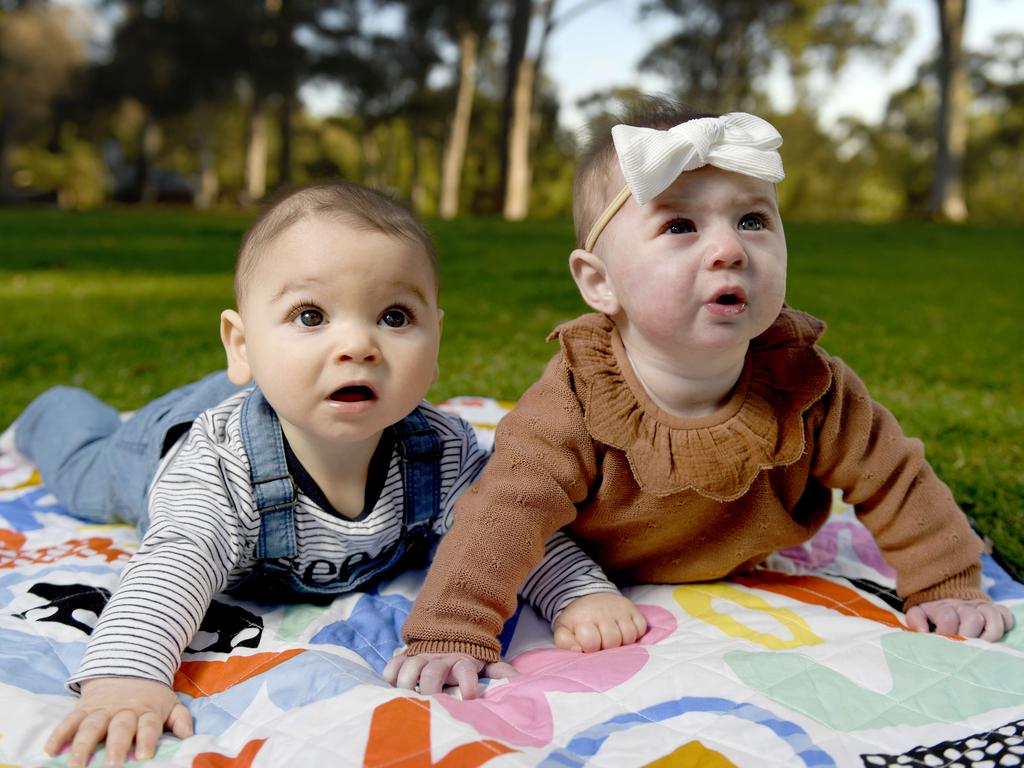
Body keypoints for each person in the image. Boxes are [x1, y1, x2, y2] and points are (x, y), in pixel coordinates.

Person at [385, 100, 1014, 696]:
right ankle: (572, 592)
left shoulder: (809, 383)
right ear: (599, 283)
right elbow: (507, 511)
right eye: (681, 225)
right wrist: (451, 629)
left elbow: (895, 475)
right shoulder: (578, 397)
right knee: (502, 501)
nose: (730, 249)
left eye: (753, 220)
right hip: (588, 558)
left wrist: (945, 582)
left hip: (742, 558)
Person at [7, 181, 623, 767]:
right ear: (241, 345)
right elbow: (173, 563)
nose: (358, 344)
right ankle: (56, 407)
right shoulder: (218, 469)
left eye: (394, 317)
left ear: (437, 342)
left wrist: (578, 590)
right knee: (84, 466)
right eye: (310, 316)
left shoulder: (439, 452)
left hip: (285, 391)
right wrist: (126, 677)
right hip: (160, 447)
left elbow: (502, 527)